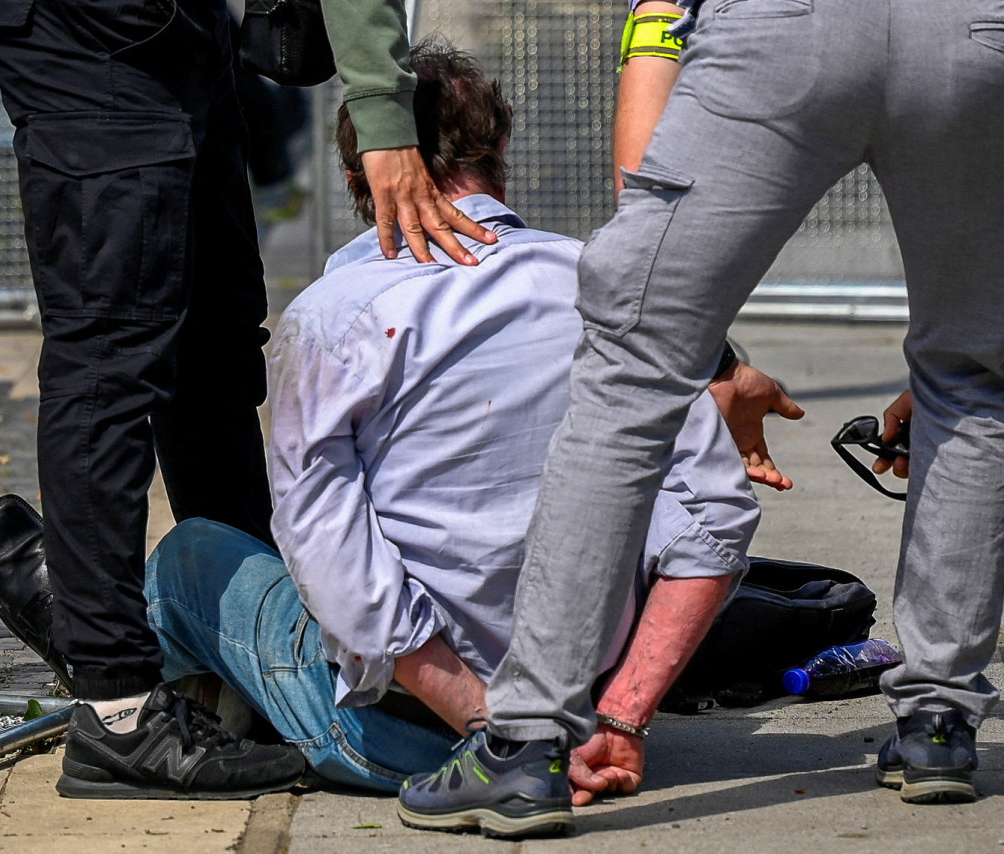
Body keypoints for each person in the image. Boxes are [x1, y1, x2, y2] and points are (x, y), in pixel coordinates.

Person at [399, 0, 1004, 836]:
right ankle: (938, 725)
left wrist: (690, 345)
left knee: (628, 382)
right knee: (971, 385)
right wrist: (999, 358)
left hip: (782, 26)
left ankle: (526, 743)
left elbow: (650, 90)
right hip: (971, 31)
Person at [142, 39, 801, 819]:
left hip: (406, 735)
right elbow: (713, 521)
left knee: (191, 556)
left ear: (362, 176)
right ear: (502, 150)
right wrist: (621, 719)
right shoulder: (605, 288)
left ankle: (145, 690)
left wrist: (502, 739)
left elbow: (336, 561)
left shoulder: (336, 318)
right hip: (586, 717)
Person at [0, 0, 496, 799]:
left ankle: (247, 657)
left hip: (180, 32)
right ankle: (117, 709)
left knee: (213, 344)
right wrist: (383, 114)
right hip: (91, 35)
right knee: (110, 355)